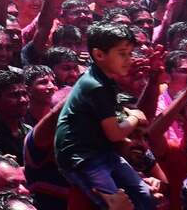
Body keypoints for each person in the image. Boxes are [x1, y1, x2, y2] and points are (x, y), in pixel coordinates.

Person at [55, 22, 154, 210]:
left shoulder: (105, 80)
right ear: (99, 55)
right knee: (116, 205)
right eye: (122, 53)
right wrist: (135, 117)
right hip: (82, 158)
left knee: (144, 194)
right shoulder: (96, 86)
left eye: (130, 53)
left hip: (102, 151)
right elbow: (115, 134)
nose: (129, 59)